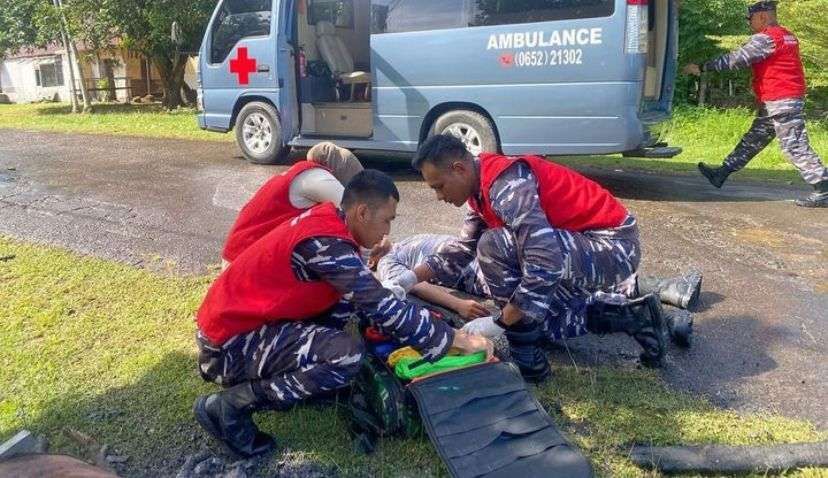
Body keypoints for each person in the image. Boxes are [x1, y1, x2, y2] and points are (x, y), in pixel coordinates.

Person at [193, 169, 493, 457]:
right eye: (387, 221)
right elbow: (379, 304)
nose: (388, 231)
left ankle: (306, 381)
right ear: (362, 213)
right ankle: (232, 405)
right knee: (345, 354)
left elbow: (366, 299)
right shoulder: (325, 243)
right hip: (227, 346)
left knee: (347, 312)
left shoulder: (331, 227)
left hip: (246, 327)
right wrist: (453, 337)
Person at [399, 134, 674, 383]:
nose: (438, 196)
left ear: (459, 169)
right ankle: (632, 316)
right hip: (585, 246)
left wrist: (501, 321)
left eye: (439, 186)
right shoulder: (480, 191)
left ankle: (526, 352)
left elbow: (545, 261)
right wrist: (407, 279)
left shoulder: (507, 185)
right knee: (534, 319)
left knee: (495, 247)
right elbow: (460, 250)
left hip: (613, 245)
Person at [684, 1, 827, 208]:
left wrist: (702, 68)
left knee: (794, 145)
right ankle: (721, 173)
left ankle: (823, 187)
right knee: (754, 138)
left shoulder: (767, 38)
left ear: (762, 17)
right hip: (777, 100)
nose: (749, 23)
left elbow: (735, 60)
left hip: (781, 100)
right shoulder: (787, 35)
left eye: (750, 19)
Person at [220, 142, 369, 268]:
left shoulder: (301, 174)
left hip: (242, 256)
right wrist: (378, 248)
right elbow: (357, 218)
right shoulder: (318, 179)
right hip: (241, 262)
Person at [377, 234, 490, 320]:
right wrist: (458, 304)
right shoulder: (386, 261)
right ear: (370, 262)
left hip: (478, 254)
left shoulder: (405, 242)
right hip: (475, 273)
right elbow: (414, 285)